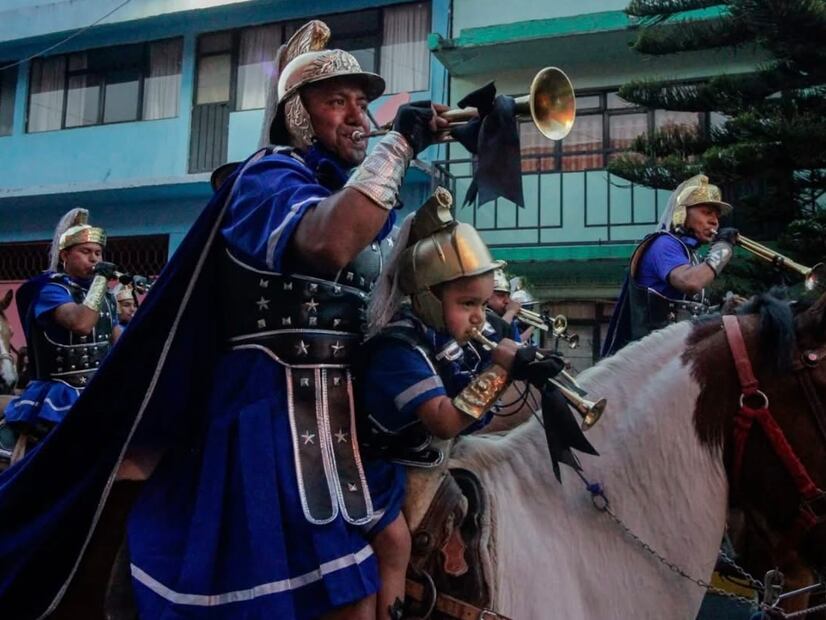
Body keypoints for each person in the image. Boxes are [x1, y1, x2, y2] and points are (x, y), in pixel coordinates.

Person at [121, 21, 450, 620]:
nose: (358, 115)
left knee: (378, 569)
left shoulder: (343, 187)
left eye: (362, 102)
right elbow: (327, 242)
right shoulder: (266, 178)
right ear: (297, 114)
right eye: (336, 101)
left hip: (340, 412)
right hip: (266, 409)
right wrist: (398, 147)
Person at [359, 188, 554, 615]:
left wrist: (523, 363)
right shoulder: (400, 349)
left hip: (425, 463)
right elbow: (445, 420)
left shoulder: (443, 340)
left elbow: (477, 392)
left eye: (483, 304)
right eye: (467, 304)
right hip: (382, 469)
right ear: (427, 298)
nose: (480, 317)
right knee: (395, 542)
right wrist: (501, 370)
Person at [2, 208, 119, 444]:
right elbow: (82, 323)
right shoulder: (53, 291)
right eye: (85, 251)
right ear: (64, 256)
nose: (94, 258)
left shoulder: (106, 297)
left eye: (98, 252)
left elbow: (120, 339)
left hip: (99, 387)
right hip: (59, 392)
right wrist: (99, 283)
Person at [602, 174, 738, 356]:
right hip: (652, 359)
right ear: (682, 212)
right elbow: (690, 282)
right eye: (706, 212)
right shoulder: (664, 244)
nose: (714, 221)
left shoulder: (692, 255)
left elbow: (691, 313)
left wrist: (722, 310)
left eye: (716, 215)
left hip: (677, 355)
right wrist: (723, 250)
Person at [486, 268, 522, 341]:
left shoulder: (505, 316)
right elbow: (497, 338)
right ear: (486, 296)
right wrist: (511, 312)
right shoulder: (483, 315)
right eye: (501, 295)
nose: (507, 301)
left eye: (508, 296)